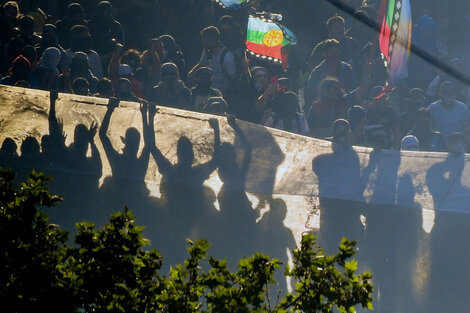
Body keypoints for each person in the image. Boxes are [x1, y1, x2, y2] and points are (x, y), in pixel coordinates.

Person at [188, 26, 237, 95]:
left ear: (210, 40)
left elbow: (233, 78)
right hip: (206, 87)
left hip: (220, 91)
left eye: (204, 38)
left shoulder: (227, 57)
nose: (202, 41)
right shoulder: (207, 50)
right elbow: (202, 63)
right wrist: (191, 73)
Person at [305, 39, 353, 105]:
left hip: (343, 106)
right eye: (331, 52)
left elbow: (352, 90)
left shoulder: (347, 69)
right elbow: (311, 94)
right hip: (323, 108)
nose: (334, 55)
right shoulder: (317, 72)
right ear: (325, 53)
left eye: (336, 52)